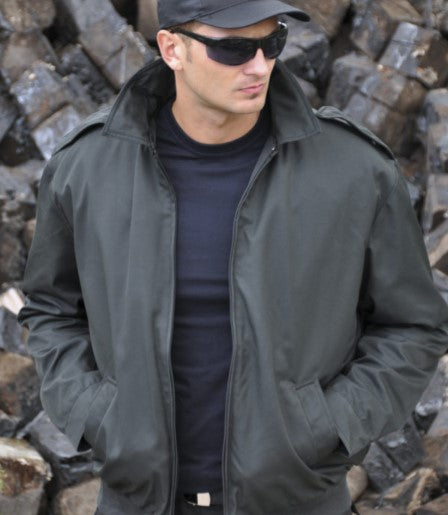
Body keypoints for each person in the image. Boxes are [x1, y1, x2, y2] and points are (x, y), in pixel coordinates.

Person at [18, 1, 448, 514]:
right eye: (235, 48)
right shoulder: (86, 169)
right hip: (137, 503)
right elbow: (51, 310)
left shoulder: (355, 171)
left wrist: (330, 425)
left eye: (273, 42)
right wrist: (97, 416)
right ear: (172, 48)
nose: (260, 66)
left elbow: (412, 325)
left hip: (296, 502)